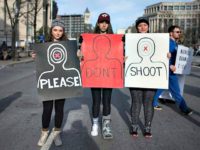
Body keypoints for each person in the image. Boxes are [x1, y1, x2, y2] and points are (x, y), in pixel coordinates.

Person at [78, 13, 114, 139]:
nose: (104, 24)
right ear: (98, 24)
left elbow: (119, 55)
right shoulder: (90, 39)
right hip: (95, 74)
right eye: (101, 22)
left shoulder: (115, 39)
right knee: (96, 101)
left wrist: (123, 58)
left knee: (107, 101)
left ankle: (106, 125)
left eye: (106, 22)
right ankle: (95, 124)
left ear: (108, 24)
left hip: (109, 75)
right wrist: (80, 53)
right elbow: (83, 53)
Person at [32, 19, 67, 147]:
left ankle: (56, 134)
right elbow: (40, 63)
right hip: (48, 82)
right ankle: (44, 133)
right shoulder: (44, 44)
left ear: (63, 32)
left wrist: (78, 55)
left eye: (60, 30)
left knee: (59, 109)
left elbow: (72, 62)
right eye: (55, 30)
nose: (58, 33)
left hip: (62, 82)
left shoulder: (67, 45)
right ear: (51, 31)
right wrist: (35, 57)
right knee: (47, 109)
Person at [153, 25, 193, 115]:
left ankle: (153, 103)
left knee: (161, 87)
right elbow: (162, 56)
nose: (179, 33)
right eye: (177, 32)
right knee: (176, 91)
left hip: (170, 70)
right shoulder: (168, 43)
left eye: (180, 32)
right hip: (169, 71)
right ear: (171, 33)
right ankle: (184, 108)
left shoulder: (174, 43)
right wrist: (170, 65)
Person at [127, 18, 155, 138]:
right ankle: (134, 126)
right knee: (136, 101)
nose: (143, 27)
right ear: (136, 28)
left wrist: (167, 56)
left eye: (145, 25)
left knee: (148, 102)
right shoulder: (130, 40)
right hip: (135, 75)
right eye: (140, 26)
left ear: (148, 27)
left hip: (152, 76)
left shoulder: (157, 40)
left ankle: (148, 127)